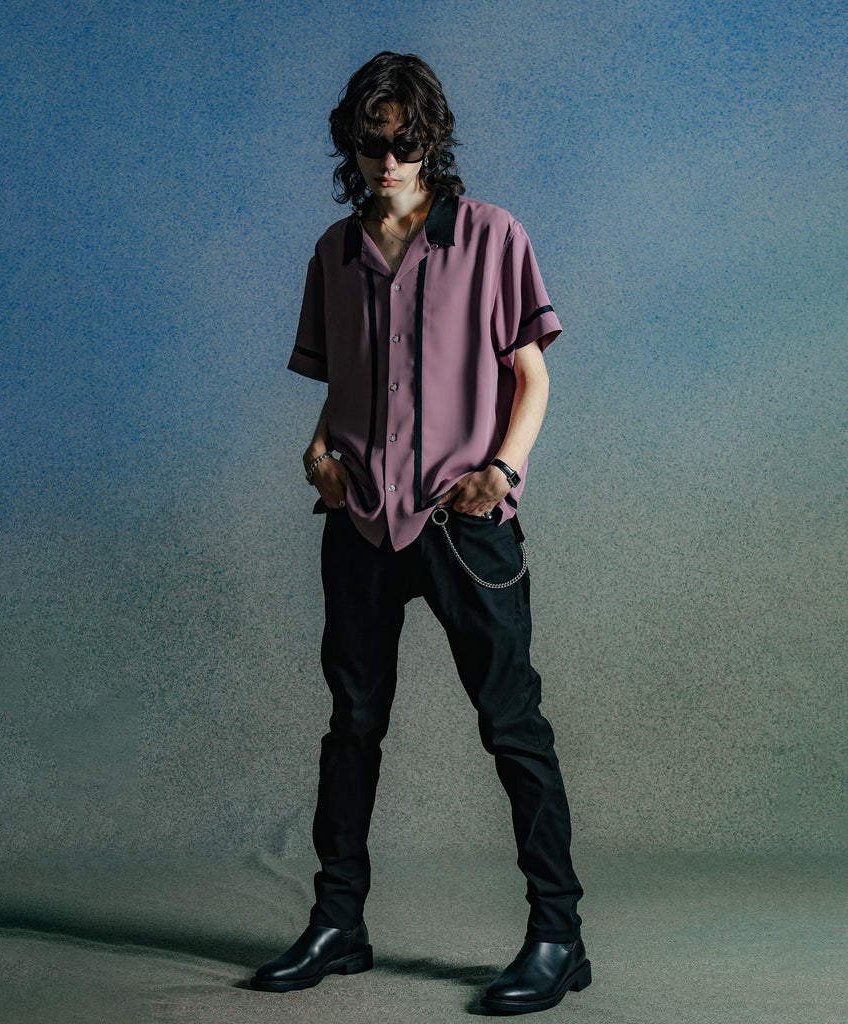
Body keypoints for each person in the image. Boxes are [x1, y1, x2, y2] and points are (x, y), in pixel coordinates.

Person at [251, 51, 590, 1015]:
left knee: (511, 725)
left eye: (405, 142)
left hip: (461, 524)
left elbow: (531, 376)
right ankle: (338, 923)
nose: (389, 160)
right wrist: (317, 451)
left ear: (431, 141)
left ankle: (558, 936)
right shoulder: (334, 252)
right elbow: (346, 382)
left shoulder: (491, 236)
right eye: (372, 143)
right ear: (350, 147)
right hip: (359, 521)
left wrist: (502, 473)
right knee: (352, 726)